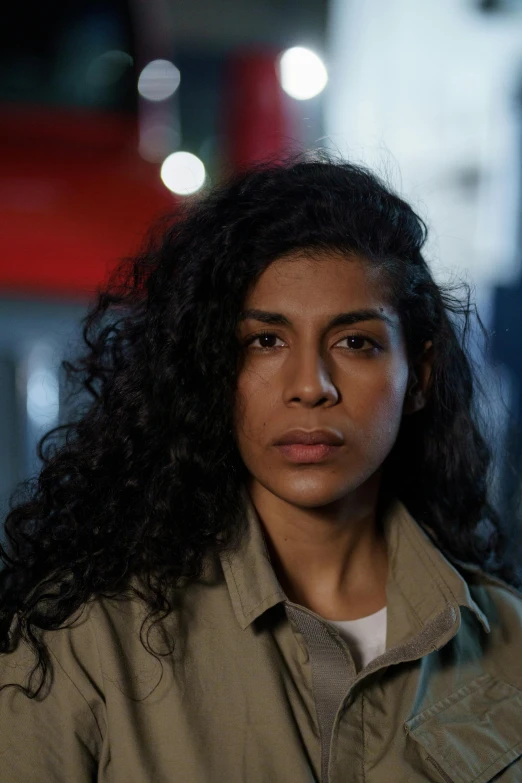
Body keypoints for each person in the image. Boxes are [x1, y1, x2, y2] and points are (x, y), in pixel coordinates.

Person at [1, 156, 522, 783]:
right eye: (265, 342)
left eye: (355, 342)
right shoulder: (84, 641)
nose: (311, 386)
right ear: (211, 370)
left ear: (420, 375)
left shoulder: (511, 645)